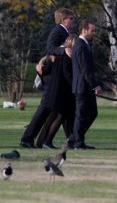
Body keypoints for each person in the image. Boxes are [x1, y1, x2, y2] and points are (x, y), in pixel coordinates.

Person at [20, 8, 76, 149]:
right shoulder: (58, 31)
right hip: (54, 79)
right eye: (71, 18)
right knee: (45, 108)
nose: (73, 21)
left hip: (59, 79)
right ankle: (27, 139)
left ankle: (61, 140)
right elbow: (50, 48)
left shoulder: (64, 32)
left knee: (60, 111)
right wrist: (65, 50)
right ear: (63, 19)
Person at [69, 19, 103, 150]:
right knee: (81, 115)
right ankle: (77, 143)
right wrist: (95, 85)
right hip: (82, 87)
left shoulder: (84, 44)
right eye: (92, 30)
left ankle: (74, 139)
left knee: (92, 113)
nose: (94, 33)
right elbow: (85, 69)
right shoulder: (81, 45)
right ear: (84, 30)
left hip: (85, 87)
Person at [37, 36, 75, 149]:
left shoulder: (56, 56)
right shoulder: (65, 57)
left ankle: (43, 142)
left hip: (55, 91)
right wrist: (75, 85)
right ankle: (46, 142)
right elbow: (67, 74)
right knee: (58, 117)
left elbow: (45, 71)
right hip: (61, 92)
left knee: (54, 117)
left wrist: (39, 69)